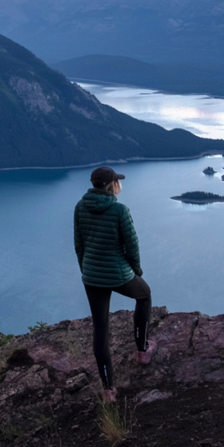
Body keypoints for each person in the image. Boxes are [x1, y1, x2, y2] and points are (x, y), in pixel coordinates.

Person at [73, 166, 154, 402]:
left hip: (91, 276)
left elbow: (79, 246)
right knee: (144, 295)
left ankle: (108, 389)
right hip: (119, 274)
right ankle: (142, 349)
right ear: (112, 185)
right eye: (117, 181)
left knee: (101, 329)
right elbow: (132, 245)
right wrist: (136, 269)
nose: (119, 183)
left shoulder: (80, 207)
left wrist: (87, 271)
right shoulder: (119, 210)